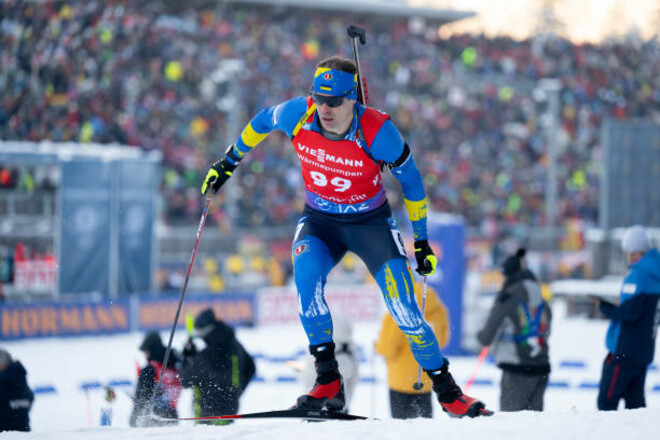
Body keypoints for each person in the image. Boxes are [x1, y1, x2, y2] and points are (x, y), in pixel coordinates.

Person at [201, 56, 491, 417]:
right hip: (321, 222)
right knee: (306, 282)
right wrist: (227, 163)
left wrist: (421, 240)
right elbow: (261, 122)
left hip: (370, 224)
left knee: (405, 312)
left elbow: (413, 182)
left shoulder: (378, 130)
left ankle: (448, 393)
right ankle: (327, 379)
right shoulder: (299, 114)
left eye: (335, 101)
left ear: (352, 98)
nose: (325, 108)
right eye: (319, 99)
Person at [592, 225, 660, 410]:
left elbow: (630, 313)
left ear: (632, 251)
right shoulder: (656, 274)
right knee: (635, 404)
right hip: (644, 350)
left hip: (625, 351)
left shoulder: (638, 275)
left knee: (606, 402)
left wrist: (604, 306)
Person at [476, 248, 552, 412]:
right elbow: (547, 330)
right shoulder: (542, 300)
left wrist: (480, 335)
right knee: (534, 423)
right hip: (542, 367)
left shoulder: (507, 299)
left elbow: (486, 337)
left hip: (516, 370)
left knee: (512, 423)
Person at [375, 283, 450, 419]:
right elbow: (442, 341)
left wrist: (377, 346)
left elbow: (386, 348)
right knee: (423, 429)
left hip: (400, 381)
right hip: (426, 380)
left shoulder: (398, 312)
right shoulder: (438, 311)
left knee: (401, 430)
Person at [179, 309, 256, 423]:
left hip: (208, 414)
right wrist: (234, 392)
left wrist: (188, 356)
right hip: (230, 410)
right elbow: (251, 368)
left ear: (206, 329)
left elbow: (185, 379)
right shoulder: (234, 345)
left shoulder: (208, 355)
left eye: (199, 331)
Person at [298, 313, 359, 411]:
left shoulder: (327, 348)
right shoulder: (349, 348)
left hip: (321, 407)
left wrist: (301, 374)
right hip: (340, 406)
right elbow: (353, 377)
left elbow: (310, 375)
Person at [129, 332, 182, 427]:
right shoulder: (174, 365)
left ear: (151, 351)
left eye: (145, 351)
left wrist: (134, 419)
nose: (145, 355)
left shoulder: (149, 370)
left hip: (153, 418)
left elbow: (141, 398)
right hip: (173, 416)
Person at [0, 348, 34, 432]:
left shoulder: (3, 380)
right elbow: (30, 397)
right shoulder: (19, 377)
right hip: (23, 430)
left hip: (5, 431)